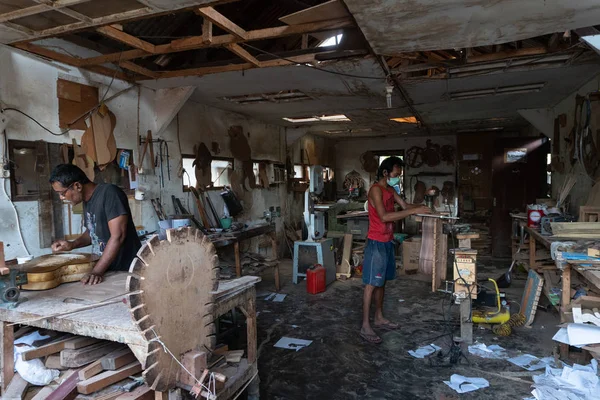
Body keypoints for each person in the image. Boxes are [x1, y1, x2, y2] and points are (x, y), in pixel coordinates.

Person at [360, 157, 431, 343]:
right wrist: (412, 212)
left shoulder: (390, 189)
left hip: (388, 240)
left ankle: (379, 317)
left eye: (399, 175)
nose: (398, 178)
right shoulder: (376, 190)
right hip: (376, 241)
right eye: (396, 174)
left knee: (381, 282)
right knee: (371, 284)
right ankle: (365, 326)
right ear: (385, 173)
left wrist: (422, 208)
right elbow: (384, 216)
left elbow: (406, 206)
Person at [49, 164, 141, 285]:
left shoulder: (110, 193)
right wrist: (72, 244)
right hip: (107, 271)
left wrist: (96, 271)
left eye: (62, 193)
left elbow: (118, 236)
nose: (61, 197)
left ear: (77, 186)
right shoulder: (87, 201)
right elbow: (93, 232)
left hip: (126, 271)